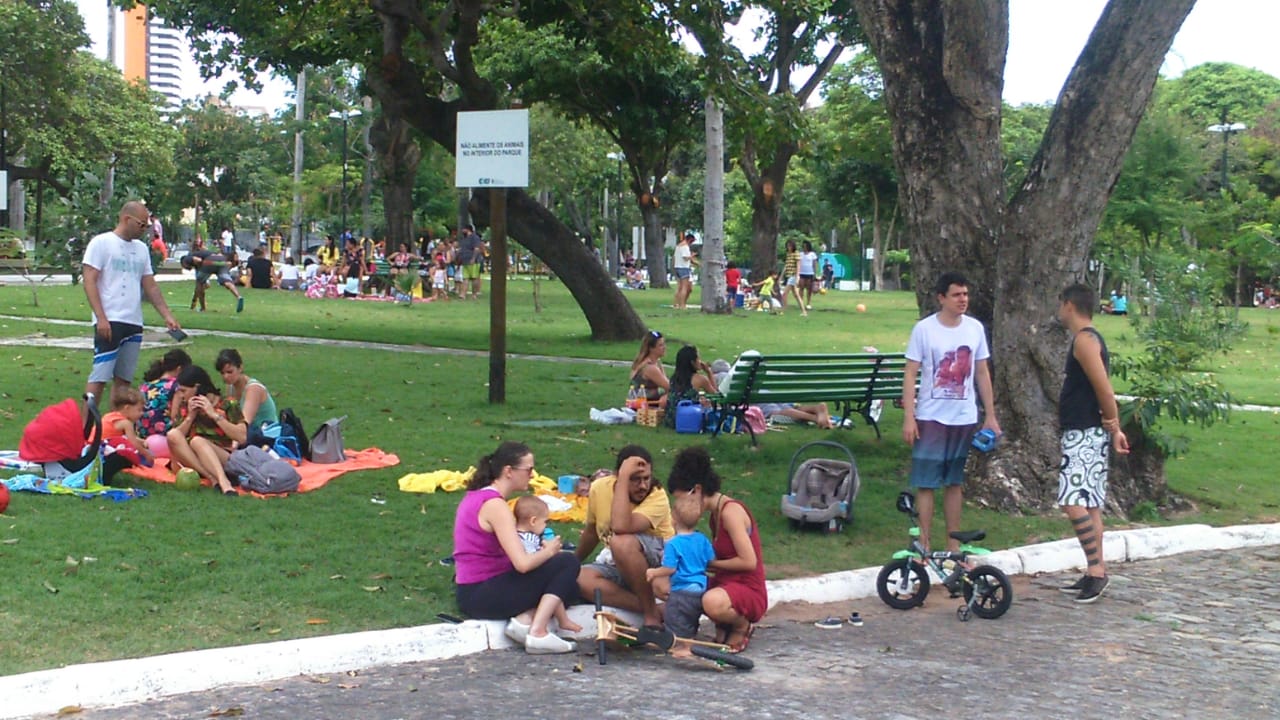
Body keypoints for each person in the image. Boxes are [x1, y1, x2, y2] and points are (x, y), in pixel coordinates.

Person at [902, 271, 1001, 553]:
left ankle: (953, 545)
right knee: (926, 483)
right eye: (956, 295)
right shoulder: (924, 329)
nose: (963, 300)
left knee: (954, 482)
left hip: (964, 417)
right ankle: (923, 543)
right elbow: (910, 373)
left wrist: (990, 415)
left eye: (966, 294)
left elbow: (982, 372)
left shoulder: (974, 329)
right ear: (941, 298)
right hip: (931, 416)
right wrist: (910, 416)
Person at [453, 442, 581, 654]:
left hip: (473, 590)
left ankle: (523, 621)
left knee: (569, 588)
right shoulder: (496, 506)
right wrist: (550, 551)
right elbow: (522, 564)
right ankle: (537, 632)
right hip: (483, 593)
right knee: (567, 563)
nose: (532, 475)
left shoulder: (476, 496)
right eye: (528, 469)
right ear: (509, 471)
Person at [1056, 284, 1130, 604]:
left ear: (1070, 305)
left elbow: (1104, 387)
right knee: (1090, 504)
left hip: (1084, 433)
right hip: (1087, 432)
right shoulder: (1088, 339)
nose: (1059, 310)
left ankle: (1097, 570)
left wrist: (1113, 425)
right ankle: (1093, 570)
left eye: (1061, 304)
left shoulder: (1085, 341)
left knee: (1073, 502)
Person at [81, 200, 181, 411]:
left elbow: (150, 286)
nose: (144, 229)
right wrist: (101, 317)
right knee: (99, 377)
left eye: (147, 226)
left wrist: (167, 315)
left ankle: (116, 428)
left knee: (123, 379)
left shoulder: (141, 249)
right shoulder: (102, 243)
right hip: (110, 319)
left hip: (132, 321)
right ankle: (85, 429)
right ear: (127, 219)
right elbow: (89, 279)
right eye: (141, 225)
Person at [664, 446, 766, 653]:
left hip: (746, 587)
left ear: (697, 490)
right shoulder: (714, 515)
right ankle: (694, 628)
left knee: (711, 601)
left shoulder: (731, 512)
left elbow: (748, 562)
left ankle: (741, 625)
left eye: (682, 499)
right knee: (670, 585)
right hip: (726, 582)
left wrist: (707, 564)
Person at [577, 445, 674, 627]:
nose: (643, 486)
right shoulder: (599, 488)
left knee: (620, 542)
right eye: (635, 479)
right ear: (616, 475)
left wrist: (623, 480)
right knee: (581, 578)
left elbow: (621, 526)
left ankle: (651, 616)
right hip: (618, 559)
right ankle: (651, 608)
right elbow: (591, 531)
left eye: (646, 478)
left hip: (659, 563)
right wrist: (574, 561)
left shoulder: (657, 495)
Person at [645, 492, 714, 650]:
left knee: (675, 618)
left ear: (673, 519)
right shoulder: (702, 539)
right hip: (700, 588)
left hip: (681, 590)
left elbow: (670, 568)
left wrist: (654, 572)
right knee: (691, 617)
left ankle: (682, 647)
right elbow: (710, 559)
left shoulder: (674, 543)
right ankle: (690, 640)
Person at [165, 365, 246, 496]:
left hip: (221, 455)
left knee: (197, 441)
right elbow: (175, 438)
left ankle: (223, 481)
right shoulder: (186, 404)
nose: (181, 395)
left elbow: (242, 437)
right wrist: (190, 417)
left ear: (197, 387)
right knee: (173, 434)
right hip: (191, 458)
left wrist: (214, 415)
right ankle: (214, 479)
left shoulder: (227, 404)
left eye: (184, 391)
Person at [511, 496, 584, 637]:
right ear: (533, 521)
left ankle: (561, 620)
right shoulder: (529, 538)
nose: (546, 526)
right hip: (528, 576)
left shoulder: (514, 535)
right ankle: (560, 621)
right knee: (555, 583)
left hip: (518, 578)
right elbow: (533, 558)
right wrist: (549, 551)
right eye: (545, 522)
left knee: (558, 585)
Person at [137, 348, 193, 458]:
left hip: (142, 432)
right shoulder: (176, 386)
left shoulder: (145, 386)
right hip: (163, 434)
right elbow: (174, 416)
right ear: (179, 369)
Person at [215, 348, 278, 428]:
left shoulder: (254, 389)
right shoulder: (230, 386)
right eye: (222, 373)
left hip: (264, 435)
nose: (226, 376)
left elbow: (244, 424)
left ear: (240, 368)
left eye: (230, 372)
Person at [102, 386, 154, 464]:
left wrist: (142, 441)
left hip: (94, 447)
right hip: (104, 450)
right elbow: (133, 442)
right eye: (139, 410)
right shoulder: (126, 423)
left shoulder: (110, 415)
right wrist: (146, 454)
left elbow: (123, 437)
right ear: (127, 408)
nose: (142, 413)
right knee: (137, 454)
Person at [628, 330, 670, 408]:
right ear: (651, 348)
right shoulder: (650, 368)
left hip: (643, 401)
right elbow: (669, 387)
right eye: (661, 345)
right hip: (645, 405)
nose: (665, 347)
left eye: (664, 344)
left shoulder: (653, 362)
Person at [457, 225, 485, 300]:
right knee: (465, 278)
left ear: (468, 229)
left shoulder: (474, 237)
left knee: (474, 278)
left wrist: (473, 258)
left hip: (473, 261)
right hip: (465, 261)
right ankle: (463, 294)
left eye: (463, 229)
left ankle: (474, 294)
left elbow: (476, 249)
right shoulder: (464, 239)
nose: (462, 231)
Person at [672, 232, 698, 309]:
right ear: (690, 240)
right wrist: (692, 255)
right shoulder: (685, 247)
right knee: (684, 287)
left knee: (680, 287)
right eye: (692, 242)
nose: (692, 244)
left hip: (677, 267)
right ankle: (682, 305)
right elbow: (686, 258)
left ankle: (676, 304)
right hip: (683, 268)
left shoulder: (678, 246)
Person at [780, 239, 804, 309]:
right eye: (787, 246)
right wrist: (781, 276)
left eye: (790, 246)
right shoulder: (788, 254)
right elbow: (786, 266)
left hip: (793, 276)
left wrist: (797, 277)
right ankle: (803, 311)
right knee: (796, 295)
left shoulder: (796, 253)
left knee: (784, 294)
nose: (789, 248)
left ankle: (784, 309)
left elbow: (798, 266)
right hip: (789, 275)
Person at [798, 241, 819, 309]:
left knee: (809, 289)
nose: (804, 248)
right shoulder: (800, 254)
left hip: (810, 273)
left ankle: (808, 303)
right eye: (803, 246)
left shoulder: (812, 254)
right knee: (801, 287)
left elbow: (814, 264)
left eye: (806, 246)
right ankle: (801, 302)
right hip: (801, 273)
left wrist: (815, 273)